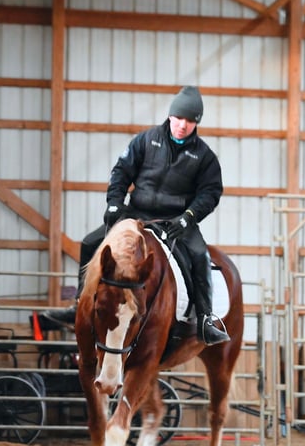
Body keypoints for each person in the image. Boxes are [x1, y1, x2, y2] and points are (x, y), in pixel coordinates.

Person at [44, 86, 230, 345]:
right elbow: (121, 172)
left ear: (196, 123)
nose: (182, 125)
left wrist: (189, 217)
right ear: (170, 116)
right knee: (89, 243)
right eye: (178, 118)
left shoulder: (204, 156)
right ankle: (79, 303)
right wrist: (114, 203)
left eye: (189, 121)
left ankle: (205, 319)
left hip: (176, 219)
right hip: (137, 212)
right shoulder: (145, 140)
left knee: (200, 255)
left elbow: (210, 193)